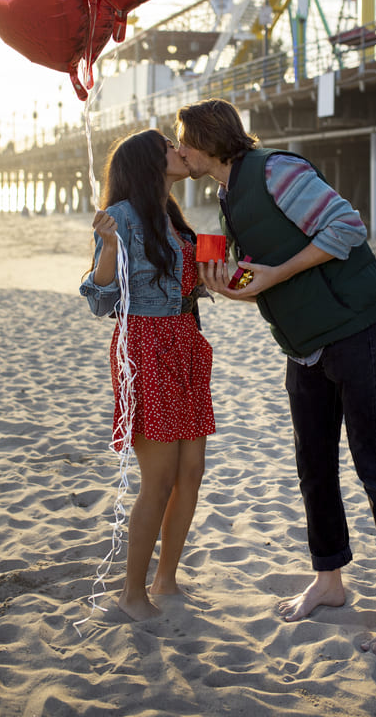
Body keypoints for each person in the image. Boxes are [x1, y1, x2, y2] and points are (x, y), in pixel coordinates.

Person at [175, 99, 376, 655]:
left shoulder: (276, 171)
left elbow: (347, 227)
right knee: (313, 465)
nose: (180, 152)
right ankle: (329, 579)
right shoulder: (227, 197)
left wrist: (275, 273)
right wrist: (231, 286)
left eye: (183, 141)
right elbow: (264, 279)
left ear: (207, 140)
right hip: (304, 346)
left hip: (355, 329)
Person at [80, 129, 215, 621]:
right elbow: (100, 301)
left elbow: (190, 283)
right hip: (145, 348)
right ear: (148, 164)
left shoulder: (173, 218)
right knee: (158, 478)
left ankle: (166, 578)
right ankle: (132, 594)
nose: (179, 151)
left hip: (185, 343)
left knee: (191, 472)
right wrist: (108, 248)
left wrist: (218, 275)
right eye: (169, 147)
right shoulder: (120, 218)